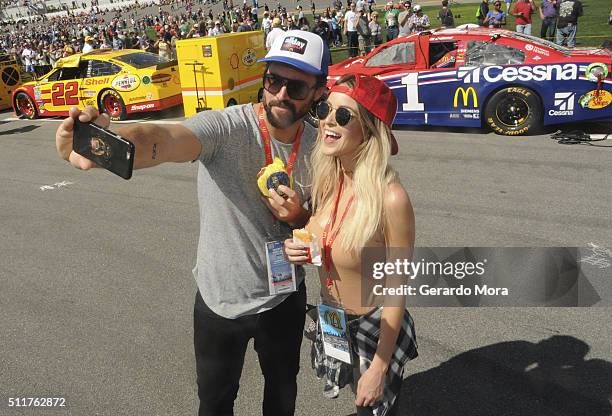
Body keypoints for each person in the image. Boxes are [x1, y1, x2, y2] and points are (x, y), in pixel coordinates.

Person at [54, 30, 329, 416]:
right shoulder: (227, 128)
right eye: (274, 80)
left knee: (282, 396)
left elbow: (332, 227)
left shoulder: (322, 148)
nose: (281, 94)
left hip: (284, 301)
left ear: (319, 91)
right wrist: (107, 145)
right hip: (220, 303)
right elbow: (165, 139)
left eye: (297, 86)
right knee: (215, 404)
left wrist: (301, 218)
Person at [284, 74, 418, 416]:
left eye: (344, 115)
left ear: (370, 131)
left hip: (374, 327)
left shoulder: (391, 199)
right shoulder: (328, 179)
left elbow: (396, 289)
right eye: (325, 109)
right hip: (332, 317)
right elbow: (325, 241)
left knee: (371, 407)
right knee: (351, 396)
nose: (328, 119)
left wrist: (379, 367)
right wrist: (298, 250)